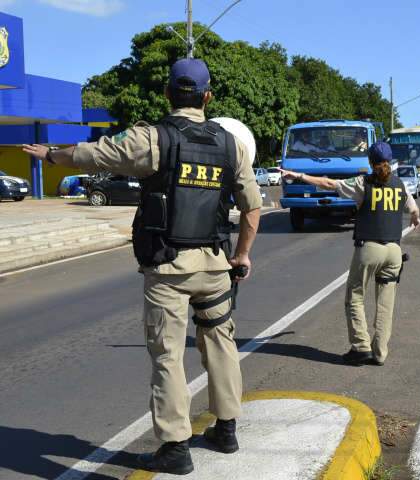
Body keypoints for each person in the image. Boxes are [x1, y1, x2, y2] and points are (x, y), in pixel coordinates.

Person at [23, 58, 262, 476]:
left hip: (167, 267)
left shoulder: (152, 138)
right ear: (207, 97)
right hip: (214, 264)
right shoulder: (231, 144)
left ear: (168, 93)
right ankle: (226, 429)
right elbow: (252, 208)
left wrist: (51, 155)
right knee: (221, 345)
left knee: (168, 355)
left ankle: (175, 447)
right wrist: (241, 255)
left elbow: (98, 155)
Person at [279, 141, 420, 366]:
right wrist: (414, 215)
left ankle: (360, 347)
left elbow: (328, 183)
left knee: (355, 296)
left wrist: (298, 176)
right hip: (394, 250)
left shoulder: (362, 182)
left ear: (370, 162)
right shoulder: (399, 184)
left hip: (369, 248)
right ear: (390, 160)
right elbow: (412, 207)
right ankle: (380, 352)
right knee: (386, 303)